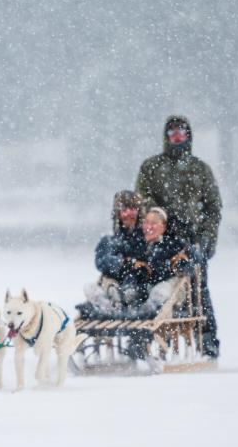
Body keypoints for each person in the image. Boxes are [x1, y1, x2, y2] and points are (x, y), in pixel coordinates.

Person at [135, 115, 222, 359]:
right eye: (172, 133)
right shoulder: (151, 167)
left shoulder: (200, 169)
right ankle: (141, 340)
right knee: (149, 287)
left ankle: (208, 342)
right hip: (161, 240)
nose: (177, 138)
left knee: (198, 291)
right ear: (166, 136)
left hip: (191, 241)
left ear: (188, 136)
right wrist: (163, 218)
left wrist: (207, 239)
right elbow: (143, 199)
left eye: (181, 133)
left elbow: (213, 208)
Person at [82, 190, 147, 318]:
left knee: (133, 285)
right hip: (114, 283)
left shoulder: (145, 237)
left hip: (138, 285)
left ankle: (126, 301)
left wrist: (134, 265)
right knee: (101, 285)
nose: (129, 214)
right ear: (118, 214)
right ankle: (111, 304)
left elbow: (149, 260)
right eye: (125, 210)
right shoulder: (109, 239)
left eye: (133, 209)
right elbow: (101, 262)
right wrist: (122, 262)